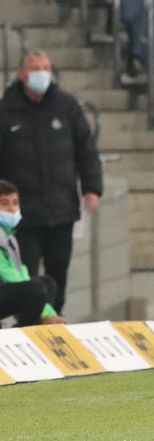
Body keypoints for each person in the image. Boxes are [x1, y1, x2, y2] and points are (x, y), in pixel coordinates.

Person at [0, 50, 103, 315]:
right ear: (23, 74)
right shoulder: (6, 110)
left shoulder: (67, 107)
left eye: (46, 68)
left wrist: (92, 188)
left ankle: (55, 317)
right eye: (36, 69)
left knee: (58, 271)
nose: (42, 74)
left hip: (61, 209)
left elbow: (86, 150)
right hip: (23, 214)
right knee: (24, 272)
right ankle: (28, 322)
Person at [0, 180, 68, 327]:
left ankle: (38, 324)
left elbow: (20, 272)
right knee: (35, 289)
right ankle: (25, 330)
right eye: (4, 204)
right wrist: (45, 314)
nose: (12, 209)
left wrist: (49, 314)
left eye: (15, 203)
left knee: (47, 283)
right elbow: (8, 275)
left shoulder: (8, 237)